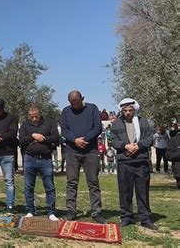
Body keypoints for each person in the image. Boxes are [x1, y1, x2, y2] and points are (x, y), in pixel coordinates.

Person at [111, 98, 157, 230]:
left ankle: (145, 218)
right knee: (125, 191)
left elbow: (149, 138)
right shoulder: (116, 124)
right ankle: (127, 217)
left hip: (141, 161)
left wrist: (138, 146)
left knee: (142, 192)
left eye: (130, 110)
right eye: (125, 110)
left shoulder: (143, 122)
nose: (127, 113)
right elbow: (113, 141)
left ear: (134, 110)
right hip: (124, 162)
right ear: (121, 111)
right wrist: (125, 146)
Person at [60, 91, 105, 223]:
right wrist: (75, 140)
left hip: (90, 150)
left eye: (77, 102)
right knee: (71, 182)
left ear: (82, 99)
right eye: (72, 103)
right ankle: (71, 211)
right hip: (72, 151)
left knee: (93, 182)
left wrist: (85, 139)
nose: (75, 105)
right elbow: (64, 130)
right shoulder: (66, 111)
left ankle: (96, 212)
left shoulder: (92, 108)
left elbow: (98, 128)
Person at [18, 104, 59, 221]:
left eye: (36, 116)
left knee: (49, 186)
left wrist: (44, 138)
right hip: (29, 158)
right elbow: (21, 140)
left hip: (45, 159)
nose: (34, 119)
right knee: (28, 186)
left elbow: (56, 138)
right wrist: (32, 136)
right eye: (32, 117)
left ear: (40, 114)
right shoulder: (25, 125)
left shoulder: (49, 123)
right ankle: (30, 210)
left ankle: (51, 211)